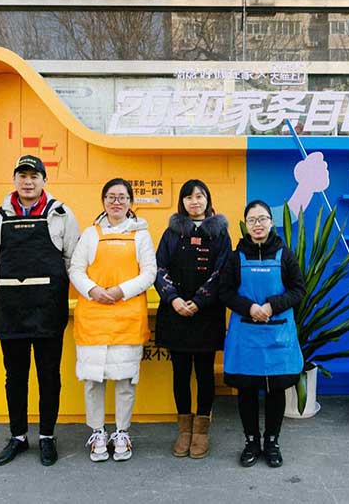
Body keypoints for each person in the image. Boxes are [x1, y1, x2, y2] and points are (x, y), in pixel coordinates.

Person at [0, 154, 80, 467]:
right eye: (22, 176)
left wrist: (49, 287)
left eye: (34, 176)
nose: (28, 182)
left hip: (48, 308)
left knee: (48, 375)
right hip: (11, 308)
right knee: (15, 376)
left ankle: (47, 436)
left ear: (44, 180)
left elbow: (72, 258)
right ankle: (17, 436)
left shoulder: (61, 214)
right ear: (15, 180)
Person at [69, 178, 156, 463]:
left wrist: (121, 291)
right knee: (93, 380)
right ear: (103, 201)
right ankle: (97, 432)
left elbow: (149, 273)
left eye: (122, 197)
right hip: (93, 316)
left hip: (127, 316)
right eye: (111, 197)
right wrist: (93, 290)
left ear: (130, 202)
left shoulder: (141, 235)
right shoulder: (90, 234)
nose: (116, 202)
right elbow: (76, 269)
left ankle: (121, 432)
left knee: (125, 380)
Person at [219, 200, 306, 468]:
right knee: (246, 390)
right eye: (252, 220)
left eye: (263, 219)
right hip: (246, 335)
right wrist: (250, 308)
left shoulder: (285, 255)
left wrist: (271, 306)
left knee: (275, 389)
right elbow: (225, 292)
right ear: (246, 224)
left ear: (271, 222)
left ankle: (272, 442)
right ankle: (251, 442)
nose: (258, 224)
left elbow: (298, 290)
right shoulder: (235, 257)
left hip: (277, 334)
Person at [154, 179, 231, 459]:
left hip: (206, 313)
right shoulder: (172, 232)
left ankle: (201, 432)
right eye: (189, 197)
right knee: (180, 372)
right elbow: (158, 268)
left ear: (207, 200)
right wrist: (173, 298)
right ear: (182, 202)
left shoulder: (220, 233)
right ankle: (184, 431)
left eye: (199, 196)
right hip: (175, 312)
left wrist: (199, 301)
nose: (194, 201)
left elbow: (222, 271)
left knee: (205, 373)